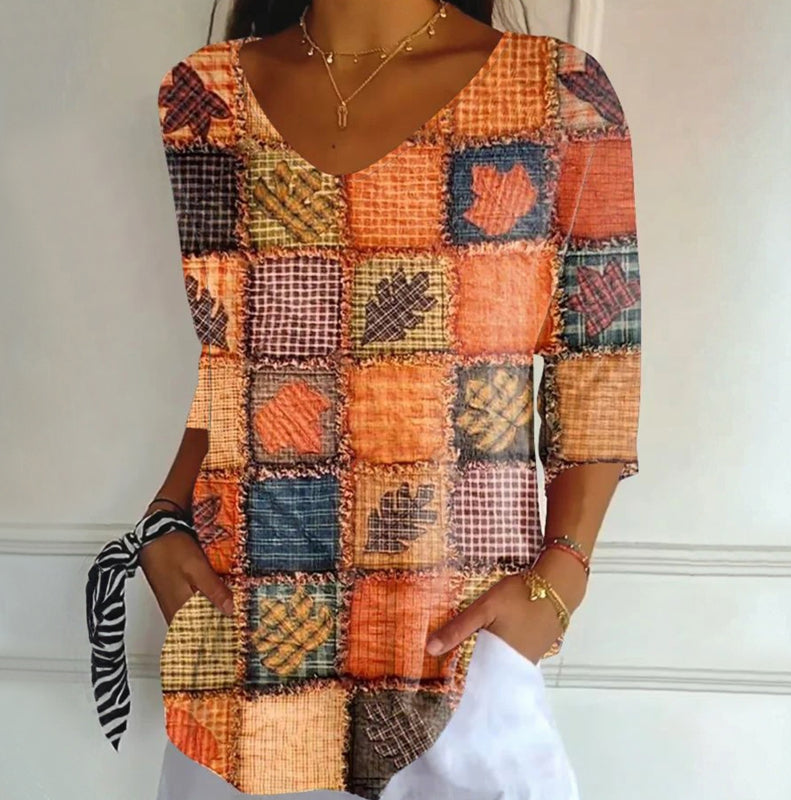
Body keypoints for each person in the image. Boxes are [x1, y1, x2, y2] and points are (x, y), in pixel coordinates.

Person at [85, 1, 642, 798]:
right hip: (247, 644)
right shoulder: (206, 97)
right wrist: (166, 518)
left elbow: (601, 360)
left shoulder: (558, 92)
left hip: (462, 651)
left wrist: (561, 580)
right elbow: (236, 363)